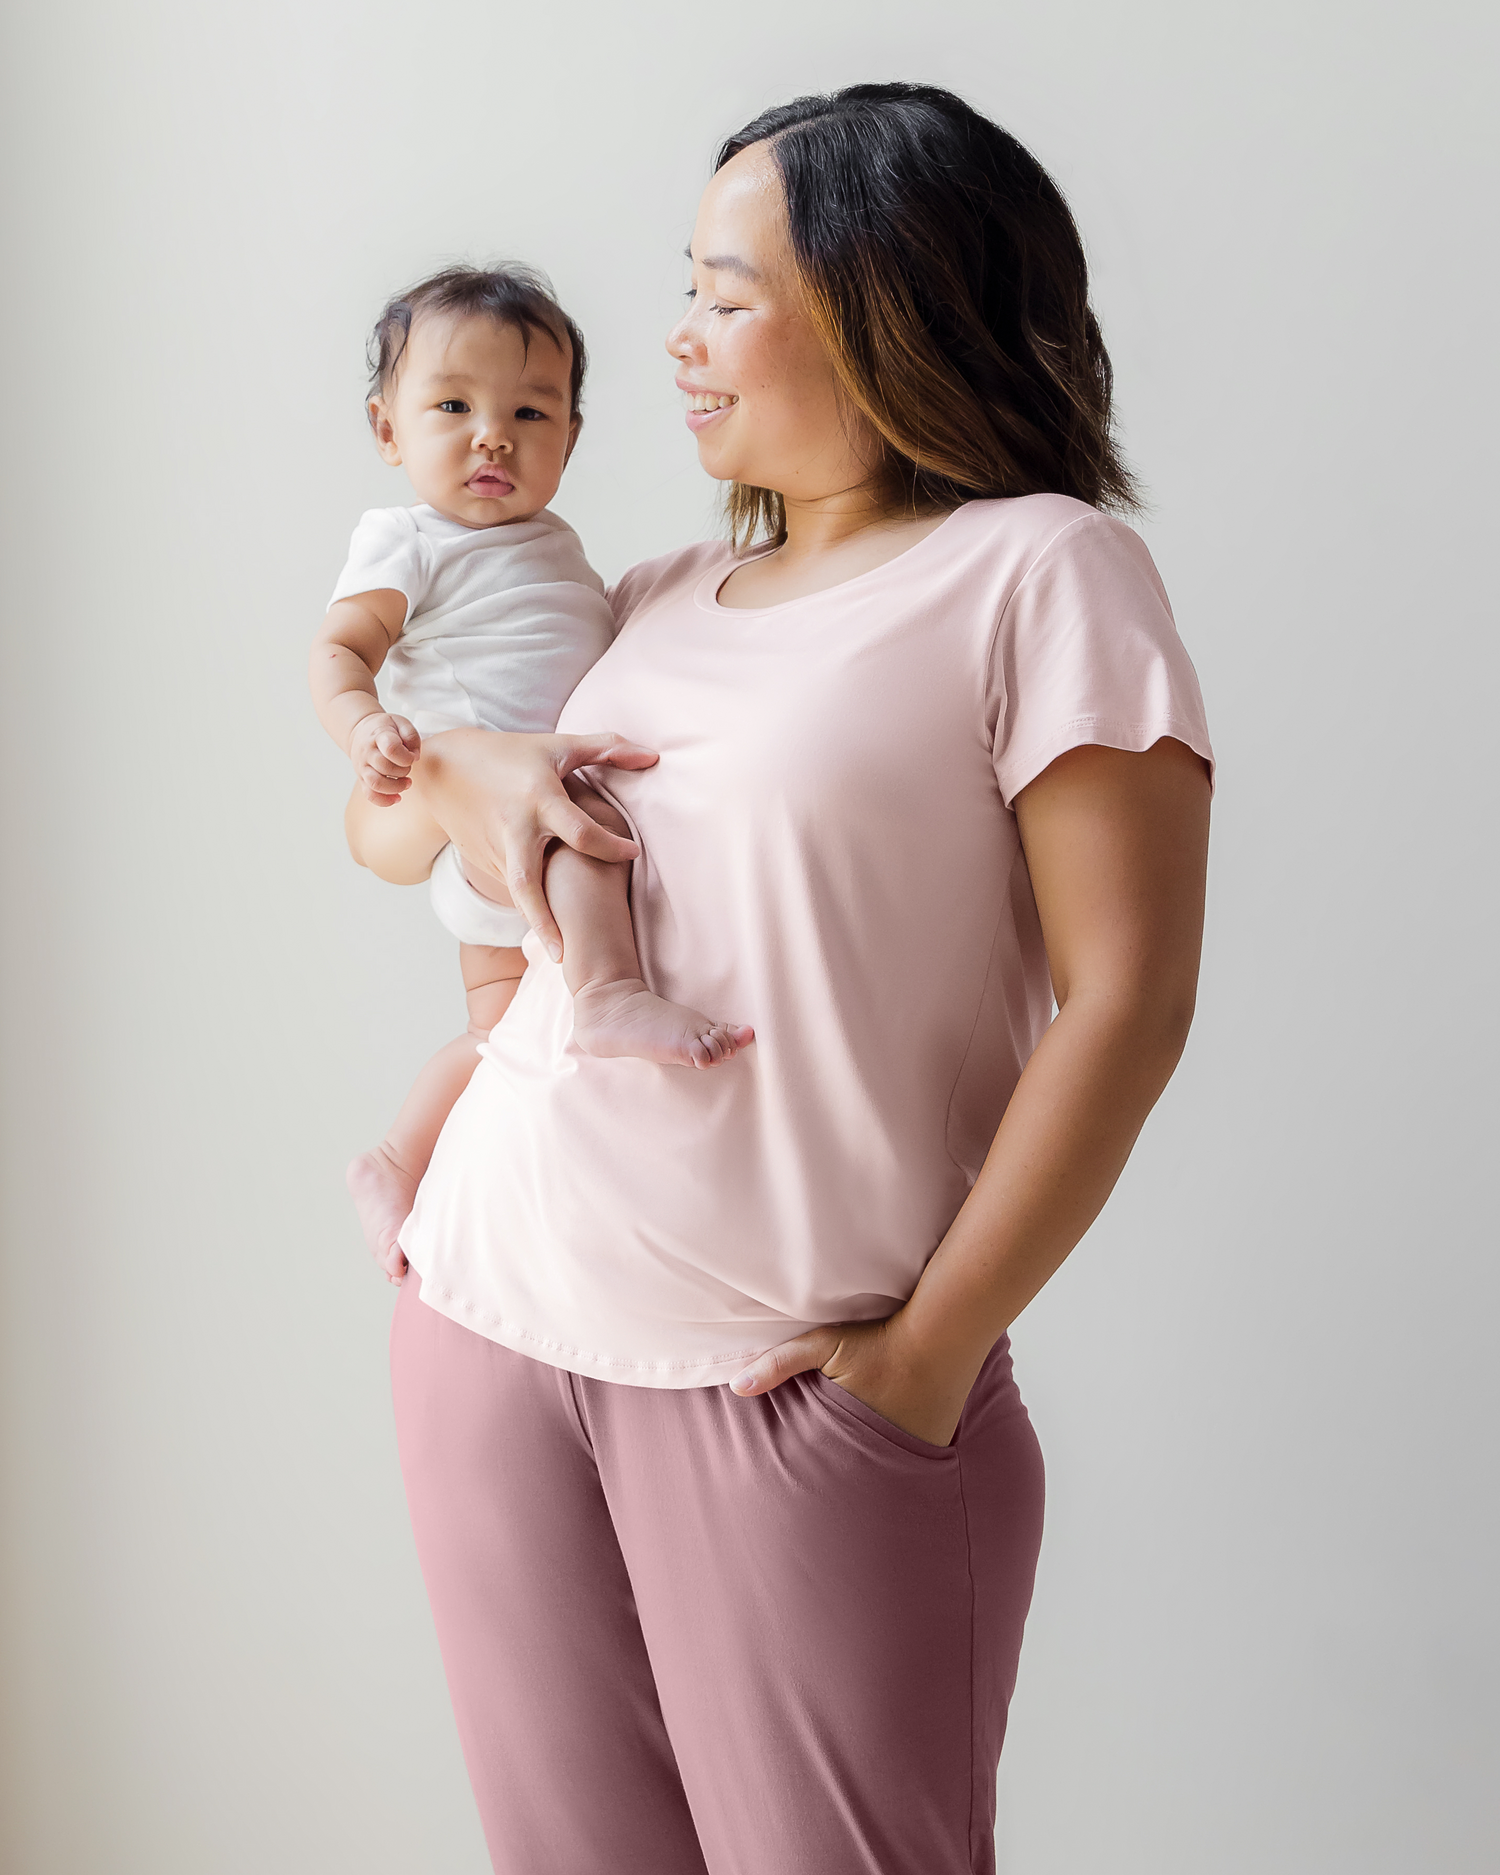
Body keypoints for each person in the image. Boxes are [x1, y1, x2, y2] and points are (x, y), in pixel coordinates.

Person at [347, 82, 1214, 1875]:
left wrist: (927, 1355)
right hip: (491, 1320)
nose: (676, 337)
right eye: (687, 284)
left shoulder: (1043, 573)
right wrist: (463, 768)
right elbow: (426, 827)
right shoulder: (652, 597)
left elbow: (1128, 999)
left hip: (792, 1392)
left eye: (726, 291)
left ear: (892, 302)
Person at [311, 267, 754, 1274]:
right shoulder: (407, 542)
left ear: (571, 436)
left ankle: (396, 1158)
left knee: (500, 1042)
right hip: (494, 833)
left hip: (513, 864)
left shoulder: (559, 546)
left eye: (529, 410)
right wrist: (365, 728)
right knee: (572, 808)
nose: (492, 435)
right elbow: (338, 649)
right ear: (388, 430)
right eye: (453, 406)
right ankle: (609, 991)